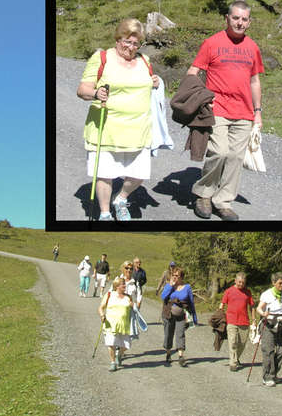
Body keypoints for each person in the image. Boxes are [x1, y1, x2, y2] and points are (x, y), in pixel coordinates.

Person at [187, 1, 264, 222]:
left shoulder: (252, 47)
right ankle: (203, 194)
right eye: (236, 18)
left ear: (250, 22)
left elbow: (255, 81)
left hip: (244, 111)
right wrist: (201, 99)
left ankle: (223, 201)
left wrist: (257, 111)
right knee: (219, 152)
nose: (239, 22)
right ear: (227, 18)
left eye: (244, 19)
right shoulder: (212, 43)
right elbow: (193, 73)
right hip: (217, 108)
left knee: (236, 157)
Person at [77, 18, 160, 221]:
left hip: (139, 128)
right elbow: (82, 89)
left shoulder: (144, 61)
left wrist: (155, 82)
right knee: (105, 173)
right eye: (127, 41)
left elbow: (147, 84)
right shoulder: (101, 58)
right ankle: (105, 213)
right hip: (107, 127)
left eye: (136, 43)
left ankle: (121, 199)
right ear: (117, 38)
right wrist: (96, 94)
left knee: (139, 173)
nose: (131, 47)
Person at [219, 272, 255, 371]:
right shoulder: (229, 291)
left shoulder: (248, 292)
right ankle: (233, 363)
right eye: (239, 282)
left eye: (243, 283)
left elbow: (252, 306)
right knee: (232, 342)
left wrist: (254, 320)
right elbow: (222, 304)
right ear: (235, 280)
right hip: (231, 320)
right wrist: (220, 316)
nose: (241, 284)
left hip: (244, 321)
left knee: (243, 342)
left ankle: (235, 357)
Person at [161, 267, 197, 366]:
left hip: (182, 314)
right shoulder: (169, 286)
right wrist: (170, 286)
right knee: (168, 333)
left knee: (180, 334)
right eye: (173, 275)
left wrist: (194, 317)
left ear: (181, 277)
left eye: (177, 275)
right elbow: (163, 297)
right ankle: (168, 353)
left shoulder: (187, 287)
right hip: (169, 313)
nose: (174, 277)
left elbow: (191, 302)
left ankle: (180, 356)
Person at [98, 277, 134, 372]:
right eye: (123, 284)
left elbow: (134, 311)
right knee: (111, 343)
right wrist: (102, 316)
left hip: (124, 325)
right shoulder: (109, 295)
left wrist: (133, 306)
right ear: (117, 286)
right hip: (110, 324)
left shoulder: (128, 297)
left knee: (126, 346)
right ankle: (113, 362)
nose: (125, 286)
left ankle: (119, 354)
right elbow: (101, 307)